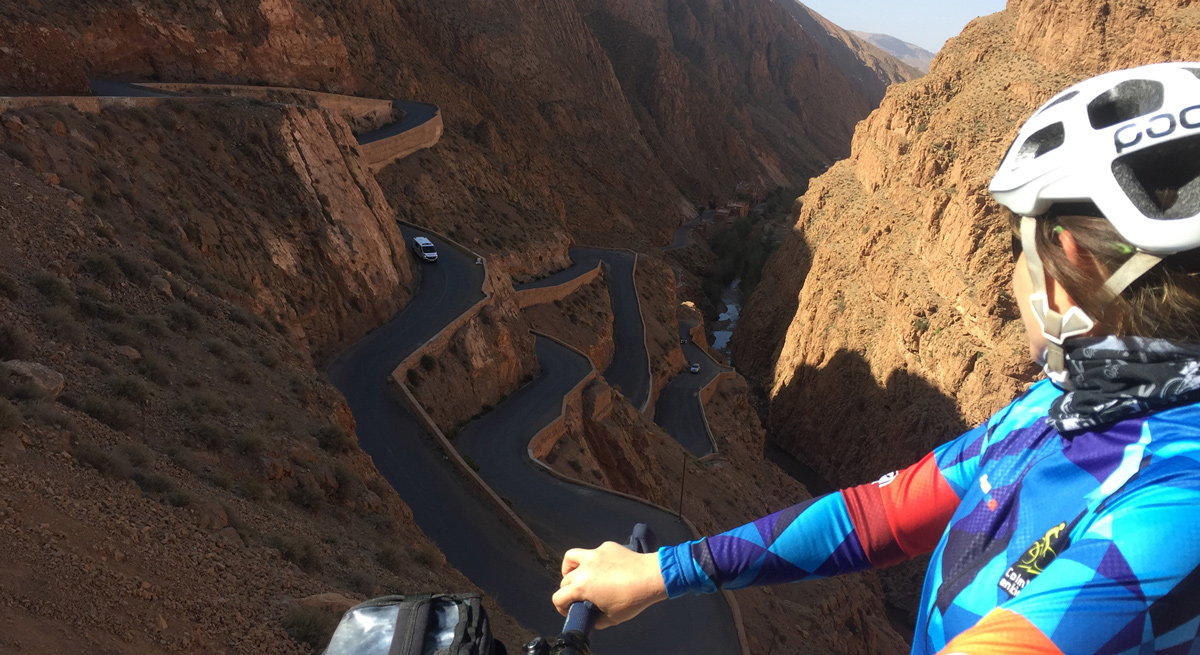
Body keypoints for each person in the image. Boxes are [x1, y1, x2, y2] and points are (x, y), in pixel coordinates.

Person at [552, 62, 1200, 654]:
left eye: (1018, 249)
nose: (1012, 280)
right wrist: (660, 572)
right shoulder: (1063, 407)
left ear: (1069, 262)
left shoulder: (1174, 511)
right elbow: (878, 515)